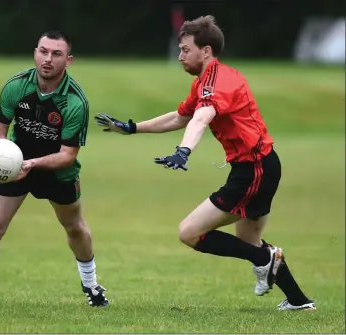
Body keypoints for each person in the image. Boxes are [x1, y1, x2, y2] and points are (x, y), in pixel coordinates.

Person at [94, 16, 315, 311]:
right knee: (250, 241)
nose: (180, 56)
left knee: (190, 232)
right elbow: (180, 117)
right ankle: (299, 301)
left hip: (253, 169)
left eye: (185, 49)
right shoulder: (206, 83)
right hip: (262, 165)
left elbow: (202, 117)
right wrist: (133, 128)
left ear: (206, 51)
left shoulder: (216, 81)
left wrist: (183, 151)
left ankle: (265, 260)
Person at [0, 30, 109, 309]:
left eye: (56, 54)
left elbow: (67, 155)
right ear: (35, 53)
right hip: (14, 166)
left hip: (57, 172)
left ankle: (92, 286)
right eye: (43, 51)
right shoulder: (17, 86)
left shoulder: (75, 102)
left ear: (68, 60)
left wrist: (32, 164)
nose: (48, 59)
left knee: (74, 228)